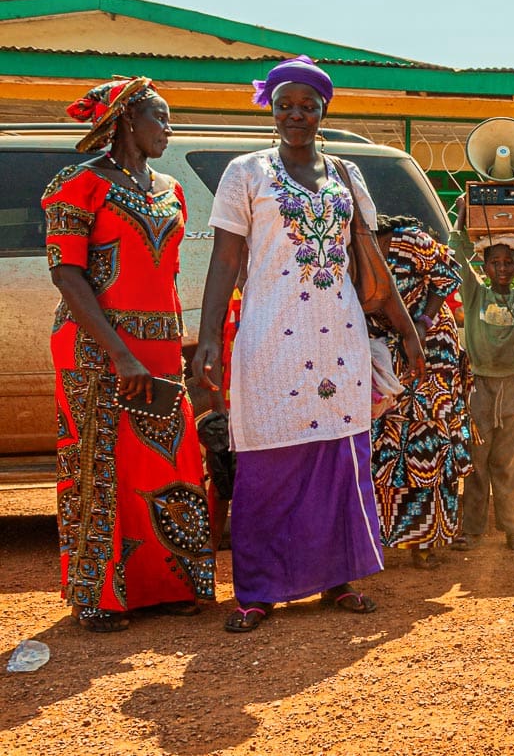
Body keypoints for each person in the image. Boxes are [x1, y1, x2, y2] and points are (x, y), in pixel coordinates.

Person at [193, 56, 424, 632]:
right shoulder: (246, 173)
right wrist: (207, 341)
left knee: (340, 457)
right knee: (267, 460)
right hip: (270, 336)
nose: (296, 115)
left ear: (324, 109)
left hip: (338, 334)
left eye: (307, 105)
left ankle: (337, 579)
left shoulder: (347, 175)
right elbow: (225, 261)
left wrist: (407, 330)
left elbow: (368, 262)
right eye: (284, 105)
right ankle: (259, 589)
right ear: (270, 110)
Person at [45, 76, 215, 632]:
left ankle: (165, 585)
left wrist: (182, 346)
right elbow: (66, 273)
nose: (169, 129)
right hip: (98, 348)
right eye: (160, 118)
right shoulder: (78, 184)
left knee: (166, 461)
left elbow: (162, 273)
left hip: (160, 347)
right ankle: (95, 593)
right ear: (125, 121)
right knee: (99, 463)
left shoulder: (170, 187)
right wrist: (120, 356)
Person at [449, 192, 514, 551]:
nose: (504, 268)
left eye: (509, 262)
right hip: (480, 387)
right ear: (486, 266)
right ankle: (471, 528)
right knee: (477, 460)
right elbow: (456, 254)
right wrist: (462, 213)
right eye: (496, 262)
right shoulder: (476, 294)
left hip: (513, 386)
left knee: (508, 461)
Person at [370, 215, 472, 570]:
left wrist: (422, 322)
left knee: (427, 441)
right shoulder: (349, 247)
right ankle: (383, 538)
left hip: (431, 349)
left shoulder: (409, 240)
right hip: (384, 350)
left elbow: (449, 275)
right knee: (385, 441)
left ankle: (425, 539)